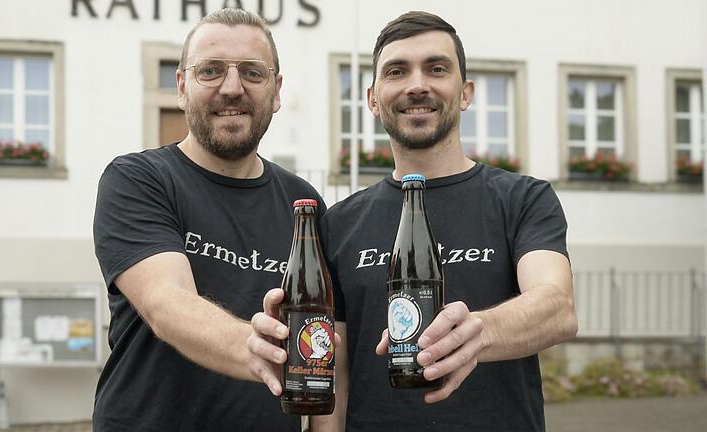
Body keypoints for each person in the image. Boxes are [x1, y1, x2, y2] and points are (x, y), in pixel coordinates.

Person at [247, 11, 578, 431]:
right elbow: (338, 375)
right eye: (397, 71)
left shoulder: (522, 199)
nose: (417, 84)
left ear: (465, 92)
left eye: (437, 68)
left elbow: (557, 307)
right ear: (372, 98)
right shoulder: (340, 224)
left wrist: (475, 332)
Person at [92, 8, 324, 432]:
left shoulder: (304, 204)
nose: (232, 89)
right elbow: (167, 304)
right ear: (181, 87)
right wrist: (260, 348)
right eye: (211, 71)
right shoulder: (137, 180)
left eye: (253, 73)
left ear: (276, 91)